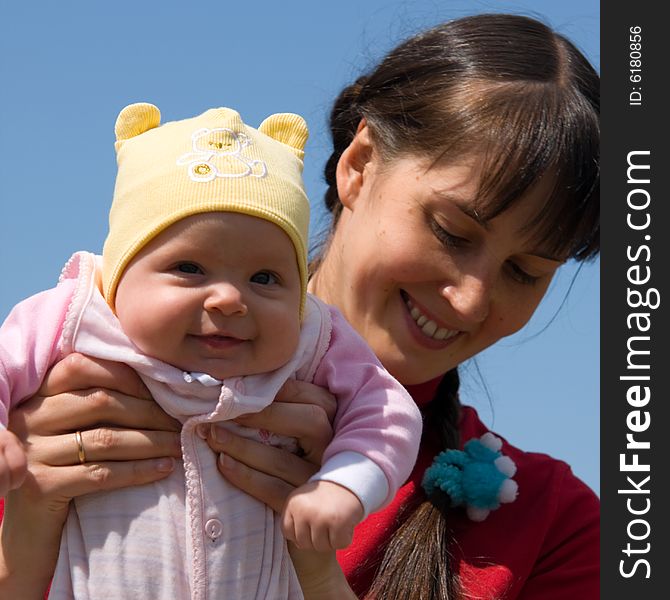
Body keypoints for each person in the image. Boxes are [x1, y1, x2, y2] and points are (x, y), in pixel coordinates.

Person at [0, 12, 600, 600]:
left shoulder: (555, 526)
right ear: (359, 165)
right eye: (450, 231)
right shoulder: (51, 408)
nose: (470, 300)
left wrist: (317, 574)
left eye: (526, 272)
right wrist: (23, 543)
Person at [0, 103, 421, 598]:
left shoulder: (313, 339)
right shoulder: (76, 316)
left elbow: (389, 412)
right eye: (189, 268)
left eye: (265, 278)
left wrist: (346, 484)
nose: (228, 299)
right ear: (118, 275)